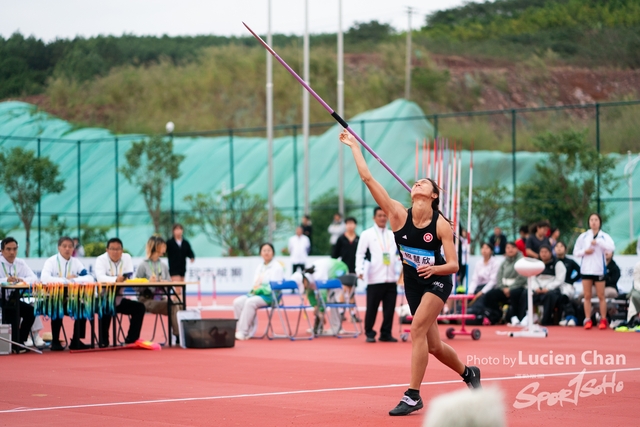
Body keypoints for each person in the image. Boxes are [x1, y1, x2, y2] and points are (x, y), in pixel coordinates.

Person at [340, 130, 481, 417]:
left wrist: (435, 268)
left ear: (432, 195)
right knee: (434, 347)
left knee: (415, 329)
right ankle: (469, 373)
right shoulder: (396, 215)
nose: (417, 183)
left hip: (438, 280)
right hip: (414, 285)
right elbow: (368, 179)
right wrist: (355, 146)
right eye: (416, 181)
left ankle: (413, 395)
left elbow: (454, 265)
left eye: (424, 183)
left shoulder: (441, 225)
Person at [41, 236, 95, 351]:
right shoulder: (51, 261)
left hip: (69, 300)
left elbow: (90, 278)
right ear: (59, 247)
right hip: (51, 300)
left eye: (70, 246)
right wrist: (65, 280)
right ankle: (55, 341)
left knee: (82, 308)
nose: (67, 249)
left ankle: (76, 341)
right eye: (64, 246)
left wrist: (74, 280)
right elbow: (44, 278)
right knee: (57, 306)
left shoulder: (76, 262)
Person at [355, 207, 399, 343]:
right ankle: (369, 332)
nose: (382, 218)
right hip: (374, 278)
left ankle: (386, 333)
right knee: (372, 308)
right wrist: (359, 270)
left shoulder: (393, 235)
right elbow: (360, 254)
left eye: (384, 216)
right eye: (379, 215)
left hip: (391, 278)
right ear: (374, 218)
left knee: (390, 308)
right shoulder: (367, 234)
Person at [95, 237, 146, 347]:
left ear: (122, 250)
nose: (115, 252)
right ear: (107, 250)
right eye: (112, 249)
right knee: (107, 306)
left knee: (139, 307)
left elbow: (128, 274)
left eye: (118, 249)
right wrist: (115, 279)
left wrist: (122, 278)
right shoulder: (101, 260)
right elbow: (100, 278)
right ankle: (104, 341)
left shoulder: (126, 257)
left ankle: (131, 339)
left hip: (118, 299)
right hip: (101, 298)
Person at [136, 236, 182, 343]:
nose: (165, 248)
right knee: (173, 305)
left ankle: (181, 333)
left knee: (179, 303)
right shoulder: (143, 265)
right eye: (163, 246)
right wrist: (147, 282)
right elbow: (135, 287)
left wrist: (165, 283)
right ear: (156, 247)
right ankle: (179, 335)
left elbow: (169, 284)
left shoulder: (163, 265)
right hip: (146, 300)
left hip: (161, 299)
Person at [233, 243, 284, 340]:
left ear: (273, 252)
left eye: (269, 250)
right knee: (237, 302)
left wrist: (260, 289)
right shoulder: (260, 267)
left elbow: (274, 287)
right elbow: (255, 283)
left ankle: (243, 332)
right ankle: (244, 330)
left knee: (250, 302)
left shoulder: (277, 267)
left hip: (270, 296)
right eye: (264, 251)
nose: (266, 253)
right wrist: (254, 290)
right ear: (260, 253)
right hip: (257, 294)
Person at [573, 213, 615, 329]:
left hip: (599, 270)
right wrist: (585, 251)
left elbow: (611, 248)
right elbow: (576, 252)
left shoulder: (604, 236)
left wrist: (599, 243)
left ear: (600, 222)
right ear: (589, 222)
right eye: (591, 220)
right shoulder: (584, 236)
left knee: (601, 295)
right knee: (587, 295)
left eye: (596, 220)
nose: (594, 222)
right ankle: (588, 319)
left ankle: (603, 319)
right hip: (586, 269)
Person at [512, 245, 568, 326]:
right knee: (526, 293)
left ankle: (546, 320)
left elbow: (559, 280)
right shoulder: (536, 263)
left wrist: (548, 288)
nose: (544, 254)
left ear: (550, 253)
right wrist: (536, 288)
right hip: (538, 289)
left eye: (546, 252)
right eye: (542, 252)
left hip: (551, 289)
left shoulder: (558, 263)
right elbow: (532, 278)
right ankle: (528, 316)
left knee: (549, 296)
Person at [0, 237, 37, 351]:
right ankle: (15, 344)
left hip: (13, 299)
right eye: (8, 249)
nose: (12, 252)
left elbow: (34, 278)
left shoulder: (20, 263)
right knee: (12, 313)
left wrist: (22, 280)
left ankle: (20, 340)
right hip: (1, 299)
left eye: (14, 249)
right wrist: (6, 279)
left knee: (31, 312)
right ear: (1, 251)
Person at [482, 242, 527, 325]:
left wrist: (510, 289)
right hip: (504, 289)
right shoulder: (504, 262)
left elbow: (522, 278)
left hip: (518, 288)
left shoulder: (522, 261)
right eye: (507, 248)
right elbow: (498, 277)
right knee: (490, 295)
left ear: (516, 249)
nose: (510, 250)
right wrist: (503, 288)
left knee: (514, 293)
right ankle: (497, 316)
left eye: (512, 247)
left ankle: (515, 317)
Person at [331, 217, 360, 311]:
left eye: (352, 223)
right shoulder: (341, 238)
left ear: (355, 225)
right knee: (343, 289)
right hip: (343, 268)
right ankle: (341, 311)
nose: (350, 226)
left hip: (355, 268)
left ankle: (353, 314)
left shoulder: (358, 239)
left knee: (352, 290)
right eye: (348, 223)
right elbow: (334, 255)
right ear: (345, 225)